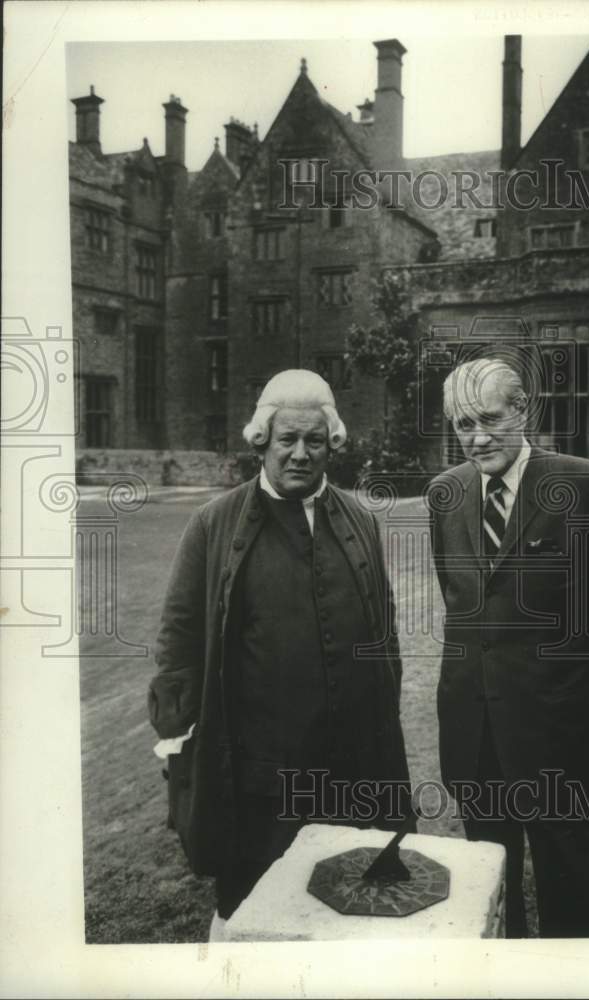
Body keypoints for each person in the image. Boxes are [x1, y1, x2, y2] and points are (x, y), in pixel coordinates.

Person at [148, 370, 411, 937]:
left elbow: (383, 633)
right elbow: (179, 638)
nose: (299, 454)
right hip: (259, 779)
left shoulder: (359, 520)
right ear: (261, 440)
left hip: (351, 769)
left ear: (332, 445)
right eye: (286, 439)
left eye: (314, 441)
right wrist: (177, 727)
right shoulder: (213, 524)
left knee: (348, 910)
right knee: (256, 916)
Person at [428, 357, 589, 938]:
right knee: (490, 896)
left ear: (523, 408)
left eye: (490, 419)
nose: (475, 438)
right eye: (461, 424)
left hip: (560, 738)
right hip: (474, 735)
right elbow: (462, 606)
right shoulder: (444, 494)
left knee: (570, 891)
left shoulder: (586, 484)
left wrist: (561, 694)